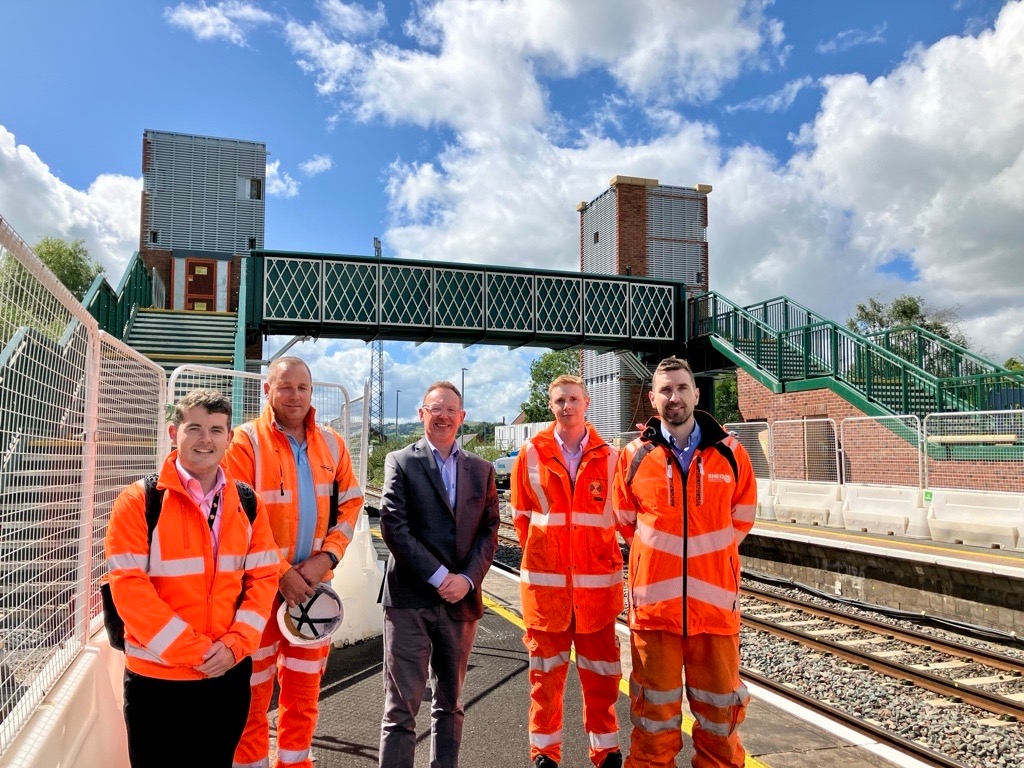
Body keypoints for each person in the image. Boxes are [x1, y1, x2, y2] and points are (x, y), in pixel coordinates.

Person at [105, 389, 280, 768]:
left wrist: (235, 646)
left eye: (216, 430)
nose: (206, 439)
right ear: (174, 433)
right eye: (194, 428)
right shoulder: (139, 501)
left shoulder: (248, 503)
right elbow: (130, 590)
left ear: (229, 438)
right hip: (158, 682)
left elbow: (264, 578)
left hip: (226, 676)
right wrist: (199, 653)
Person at [612, 357, 757, 768]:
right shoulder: (634, 455)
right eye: (665, 390)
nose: (673, 397)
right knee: (652, 721)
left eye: (680, 388)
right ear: (652, 399)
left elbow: (742, 517)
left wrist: (708, 564)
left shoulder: (731, 453)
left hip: (715, 612)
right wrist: (659, 562)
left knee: (719, 721)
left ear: (695, 394)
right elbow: (625, 520)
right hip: (654, 614)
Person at [226, 356, 364, 768]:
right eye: (285, 386)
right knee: (251, 696)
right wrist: (282, 573)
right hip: (257, 593)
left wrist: (327, 557)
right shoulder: (244, 443)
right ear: (267, 390)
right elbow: (238, 517)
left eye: (302, 387)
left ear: (311, 392)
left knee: (304, 694)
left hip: (315, 591)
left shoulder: (333, 444)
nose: (295, 396)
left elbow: (351, 506)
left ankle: (294, 763)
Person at [378, 381, 500, 768]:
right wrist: (440, 576)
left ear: (461, 417)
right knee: (401, 709)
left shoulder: (481, 469)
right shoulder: (401, 461)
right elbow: (393, 525)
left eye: (450, 410)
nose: (443, 416)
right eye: (435, 409)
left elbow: (490, 531)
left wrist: (466, 579)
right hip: (409, 600)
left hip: (460, 601)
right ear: (422, 414)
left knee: (450, 704)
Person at [510, 375, 624, 768]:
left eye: (574, 399)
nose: (567, 406)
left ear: (587, 403)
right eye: (560, 400)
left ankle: (606, 752)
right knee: (544, 679)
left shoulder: (611, 457)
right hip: (548, 592)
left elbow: (621, 517)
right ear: (551, 405)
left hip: (597, 593)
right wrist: (547, 556)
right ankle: (545, 754)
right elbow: (521, 518)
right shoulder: (531, 453)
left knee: (602, 678)